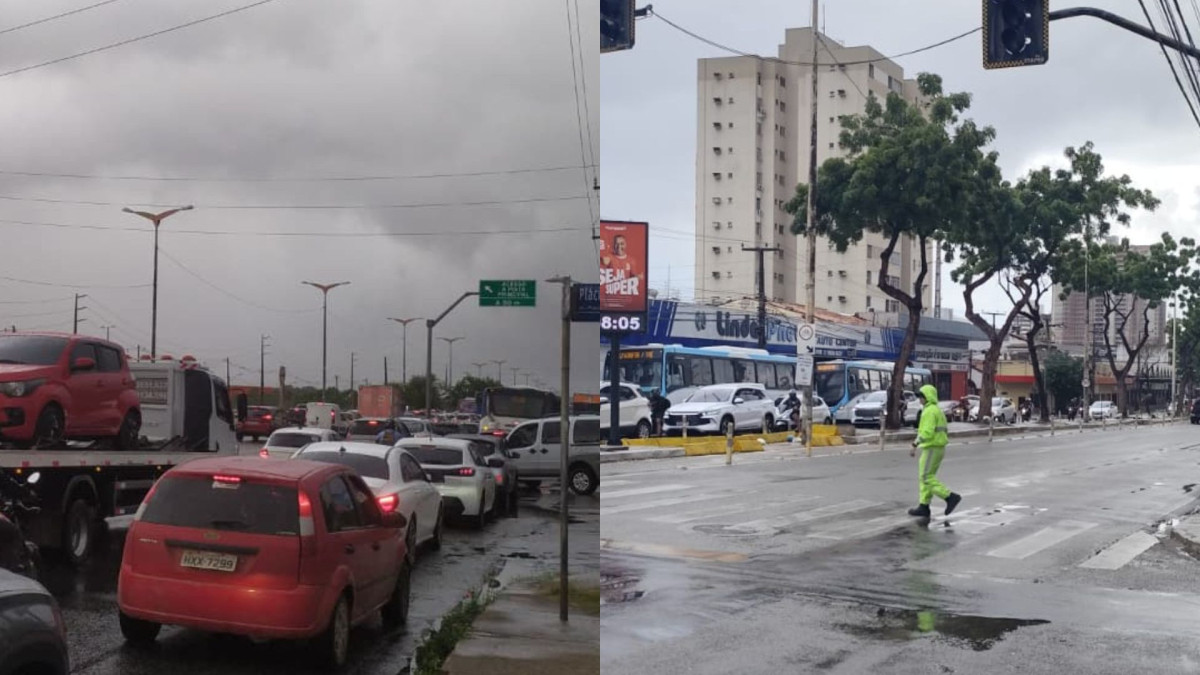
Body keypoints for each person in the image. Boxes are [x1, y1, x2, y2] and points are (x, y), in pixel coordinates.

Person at [908, 384, 961, 519]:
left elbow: (927, 431)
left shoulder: (929, 411)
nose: (919, 399)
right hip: (937, 448)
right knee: (926, 477)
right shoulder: (937, 410)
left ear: (927, 397)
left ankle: (949, 497)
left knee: (926, 477)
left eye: (921, 396)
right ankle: (924, 506)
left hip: (931, 447)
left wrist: (915, 443)